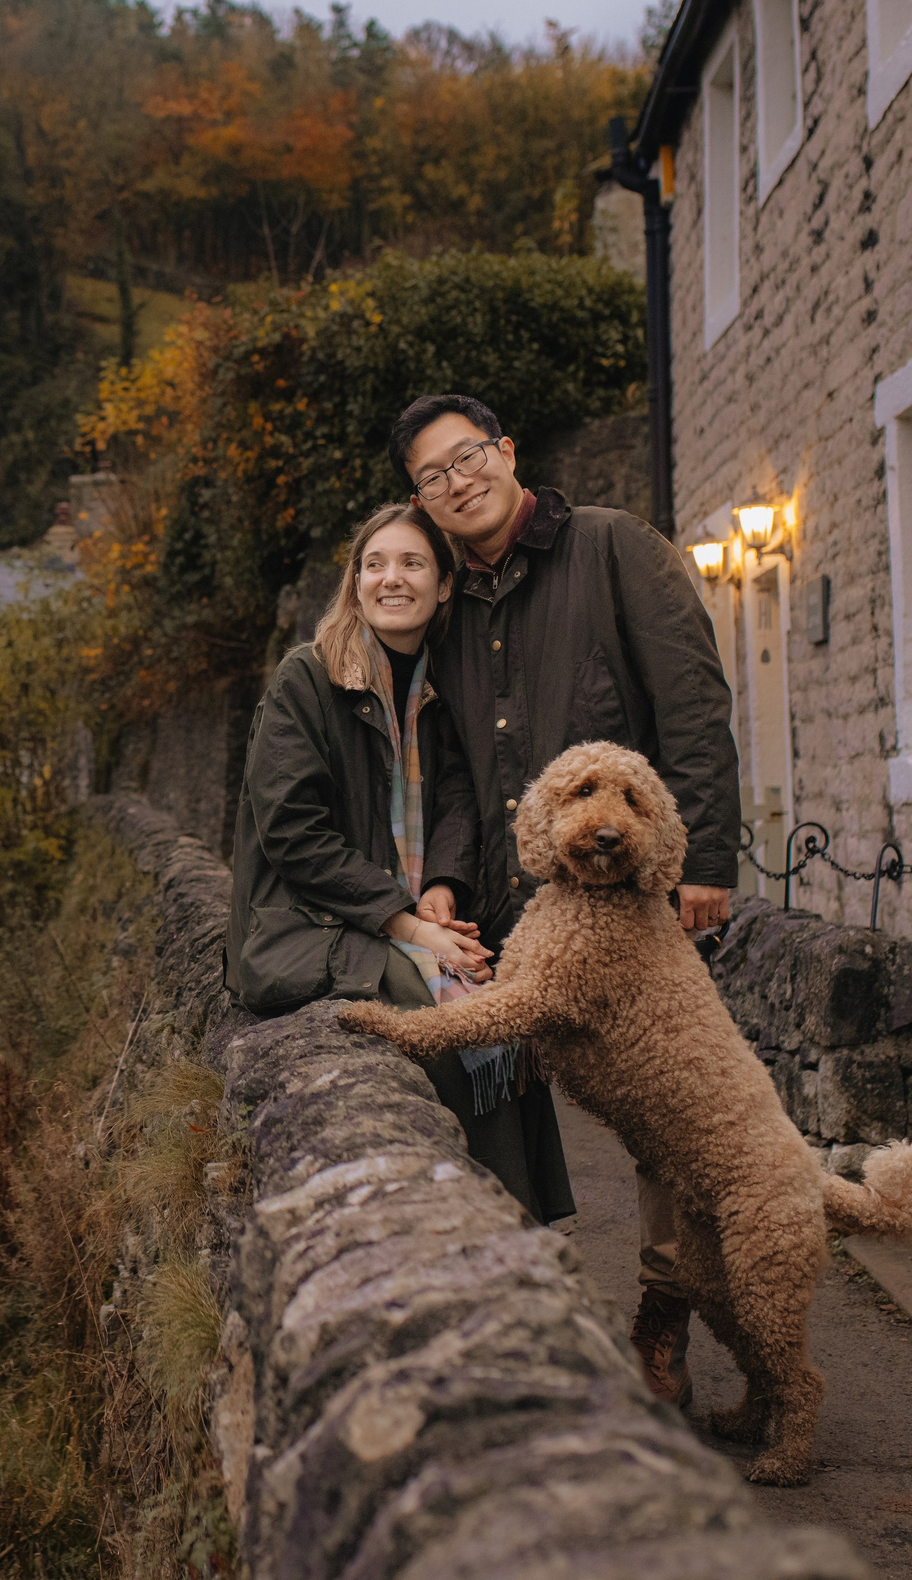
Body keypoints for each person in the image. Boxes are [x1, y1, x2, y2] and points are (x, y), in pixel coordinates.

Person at [389, 392, 743, 1409]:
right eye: (431, 476)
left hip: (633, 903)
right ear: (418, 497)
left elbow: (691, 705)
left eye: (467, 457)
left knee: (663, 1124)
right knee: (497, 1098)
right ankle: (519, 1326)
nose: (457, 481)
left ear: (506, 452)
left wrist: (703, 862)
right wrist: (447, 877)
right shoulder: (448, 605)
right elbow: (451, 768)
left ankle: (660, 1337)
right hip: (508, 905)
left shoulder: (614, 548)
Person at [226, 502, 577, 1223]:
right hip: (308, 924)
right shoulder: (306, 679)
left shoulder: (440, 684)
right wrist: (407, 924)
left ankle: (525, 1230)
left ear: (443, 586)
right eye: (375, 564)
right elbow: (292, 832)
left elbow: (456, 795)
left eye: (413, 563)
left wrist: (443, 887)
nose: (393, 578)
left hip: (405, 909)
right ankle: (483, 1220)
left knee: (493, 1000)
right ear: (355, 583)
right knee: (445, 1015)